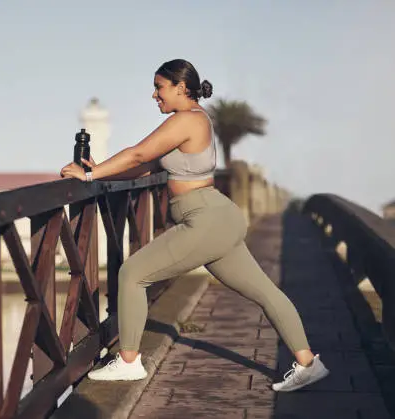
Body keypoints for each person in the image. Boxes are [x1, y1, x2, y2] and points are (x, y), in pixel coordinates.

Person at [60, 59, 329, 392]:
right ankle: (308, 363)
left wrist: (89, 176)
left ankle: (128, 362)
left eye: (159, 87)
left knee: (132, 274)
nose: (154, 95)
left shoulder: (186, 119)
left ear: (180, 88)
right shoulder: (192, 121)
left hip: (205, 219)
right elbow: (143, 167)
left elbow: (138, 154)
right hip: (215, 217)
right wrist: (100, 169)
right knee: (265, 292)